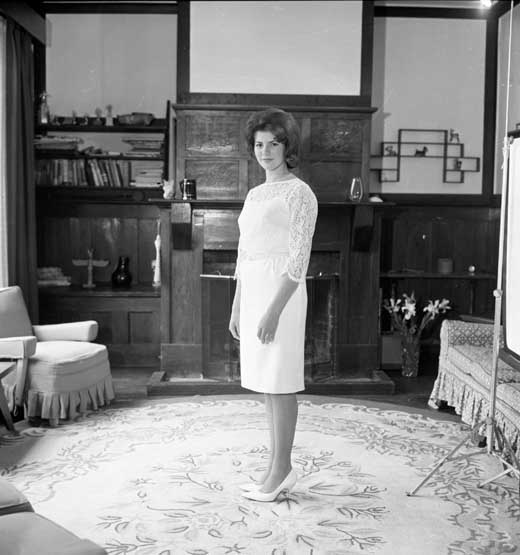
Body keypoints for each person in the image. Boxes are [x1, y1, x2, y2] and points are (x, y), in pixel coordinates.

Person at [229, 108, 318, 502]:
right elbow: (244, 253)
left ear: (287, 147)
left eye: (273, 144)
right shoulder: (254, 194)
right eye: (259, 144)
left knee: (280, 382)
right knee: (267, 384)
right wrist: (237, 306)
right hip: (253, 292)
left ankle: (283, 469)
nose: (265, 152)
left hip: (281, 295)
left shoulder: (300, 193)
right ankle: (274, 467)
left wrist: (272, 311)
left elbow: (298, 262)